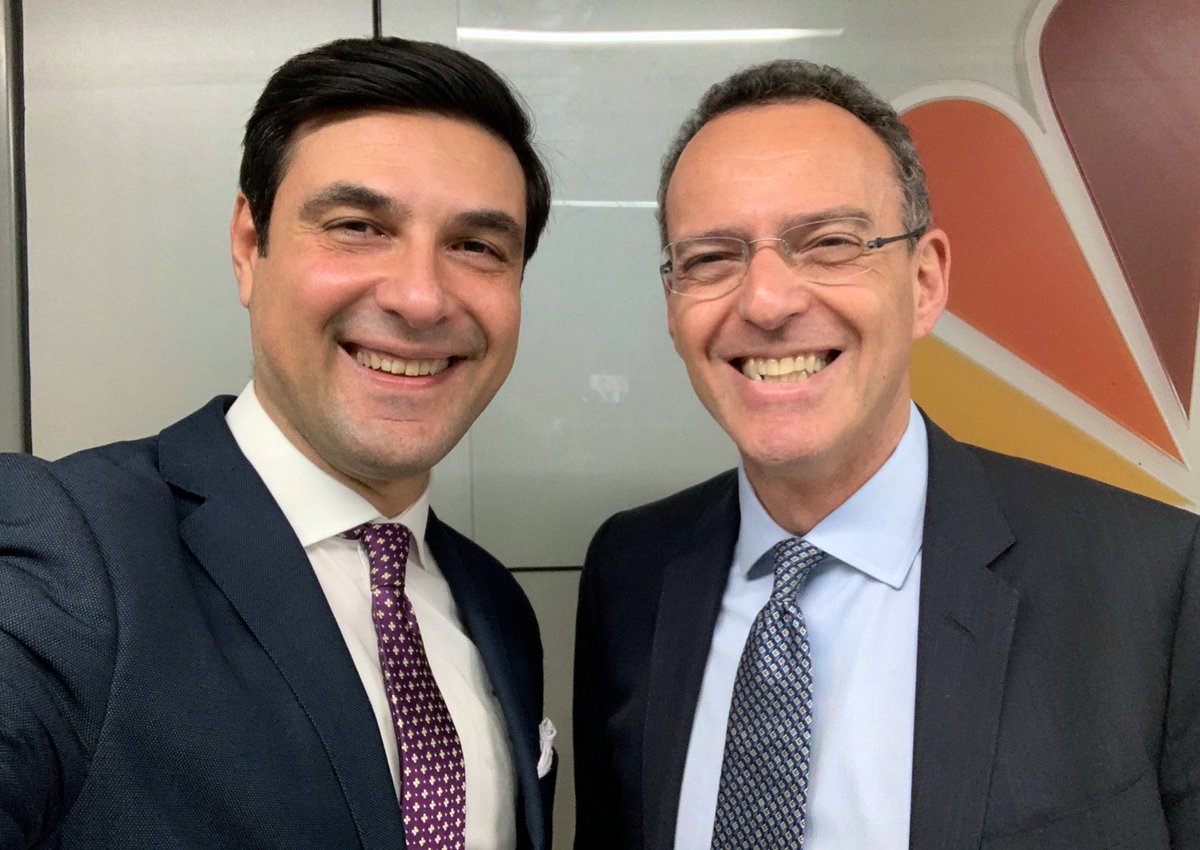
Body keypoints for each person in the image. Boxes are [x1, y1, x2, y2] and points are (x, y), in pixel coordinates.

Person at [573, 59, 1199, 849]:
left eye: (829, 244)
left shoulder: (1152, 582)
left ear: (925, 282)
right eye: (711, 258)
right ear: (673, 305)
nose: (765, 301)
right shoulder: (632, 572)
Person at [0, 37, 555, 850]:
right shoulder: (66, 552)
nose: (421, 297)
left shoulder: (497, 604)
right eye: (358, 226)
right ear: (247, 245)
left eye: (476, 246)